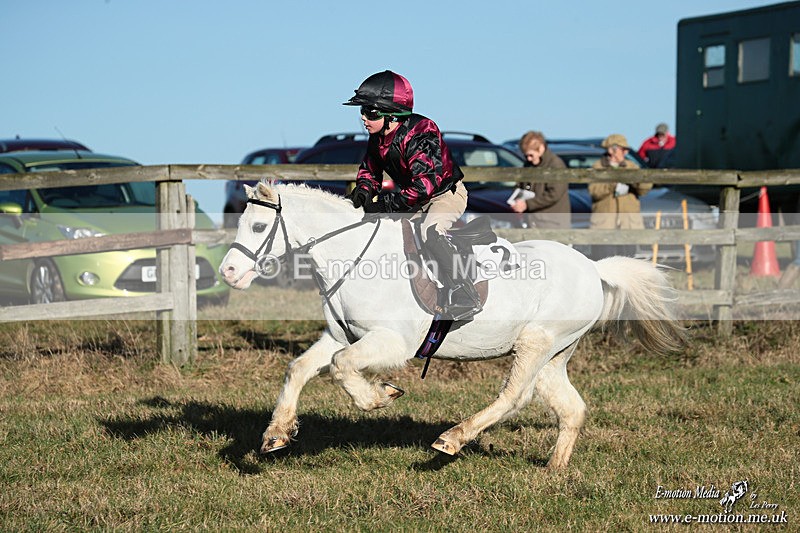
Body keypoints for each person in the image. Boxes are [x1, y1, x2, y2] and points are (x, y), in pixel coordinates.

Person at [343, 70, 480, 320]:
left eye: (370, 113)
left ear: (392, 115)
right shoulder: (377, 137)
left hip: (443, 195)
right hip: (413, 196)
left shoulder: (422, 131)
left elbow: (425, 185)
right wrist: (363, 192)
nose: (363, 118)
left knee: (431, 231)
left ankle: (465, 293)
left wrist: (385, 204)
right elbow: (369, 171)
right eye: (361, 111)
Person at [589, 133, 652, 259]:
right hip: (604, 226)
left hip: (627, 225)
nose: (617, 153)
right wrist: (613, 182)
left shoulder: (632, 167)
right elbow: (594, 191)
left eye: (621, 149)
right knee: (604, 264)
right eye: (615, 149)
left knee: (628, 264)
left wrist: (631, 178)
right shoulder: (597, 167)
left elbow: (645, 187)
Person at [510, 131, 571, 229]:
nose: (529, 159)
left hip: (552, 223)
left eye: (531, 155)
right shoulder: (528, 165)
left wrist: (527, 204)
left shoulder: (555, 165)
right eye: (526, 156)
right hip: (533, 221)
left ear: (541, 148)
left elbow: (554, 194)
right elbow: (520, 184)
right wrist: (517, 199)